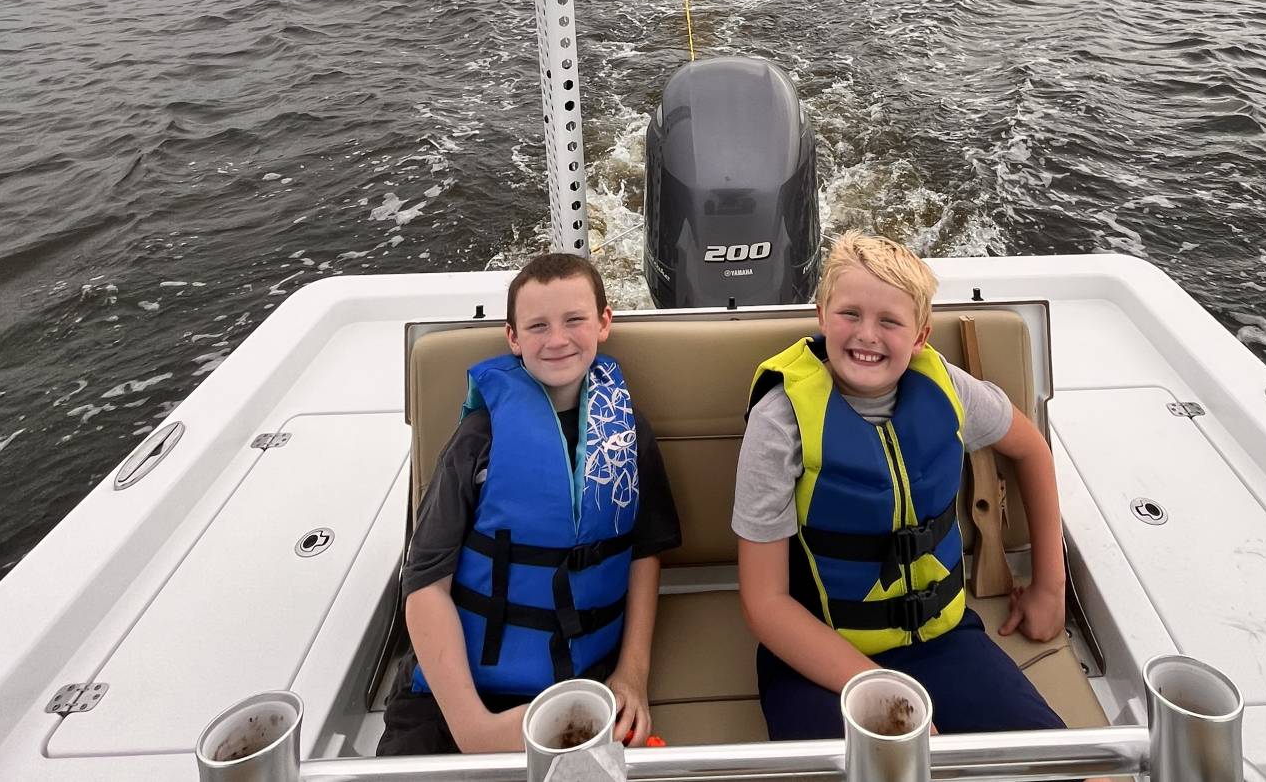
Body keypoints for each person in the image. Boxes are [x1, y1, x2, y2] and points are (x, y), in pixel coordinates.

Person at [734, 232, 1069, 741]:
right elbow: (765, 604)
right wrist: (880, 692)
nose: (867, 334)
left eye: (889, 321)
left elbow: (1032, 450)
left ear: (920, 337)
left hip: (944, 639)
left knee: (1076, 768)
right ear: (821, 315)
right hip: (815, 656)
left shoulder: (949, 389)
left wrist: (1049, 587)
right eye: (850, 314)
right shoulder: (780, 423)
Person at [379, 253, 681, 755]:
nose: (557, 339)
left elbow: (644, 553)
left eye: (575, 320)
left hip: (582, 689)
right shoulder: (479, 439)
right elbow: (424, 582)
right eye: (537, 326)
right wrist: (472, 727)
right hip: (456, 695)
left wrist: (631, 675)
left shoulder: (629, 433)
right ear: (513, 338)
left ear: (604, 323)